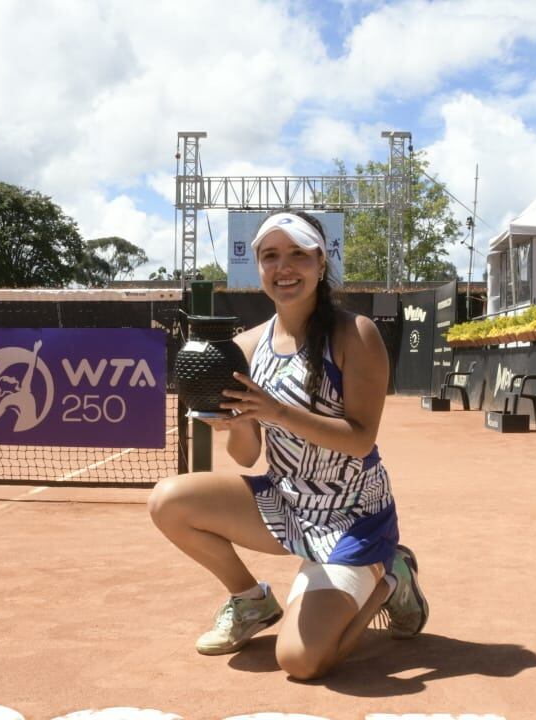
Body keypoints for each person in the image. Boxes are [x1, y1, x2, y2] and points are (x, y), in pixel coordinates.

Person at [148, 210, 428, 680]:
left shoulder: (355, 334)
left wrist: (274, 409)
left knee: (300, 661)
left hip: (350, 516)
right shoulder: (248, 345)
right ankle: (251, 602)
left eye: (298, 254)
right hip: (287, 504)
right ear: (258, 268)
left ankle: (391, 577)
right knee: (168, 501)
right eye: (271, 256)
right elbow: (246, 455)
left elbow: (360, 440)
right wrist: (235, 421)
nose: (285, 267)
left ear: (321, 262)